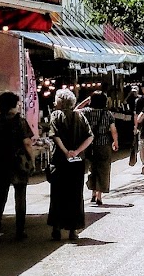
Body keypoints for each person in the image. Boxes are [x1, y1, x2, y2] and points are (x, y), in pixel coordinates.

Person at [0, 91, 35, 241]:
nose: (19, 106)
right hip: (18, 163)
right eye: (17, 104)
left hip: (0, 163)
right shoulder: (20, 122)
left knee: (0, 197)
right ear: (13, 106)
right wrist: (31, 160)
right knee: (20, 197)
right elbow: (27, 143)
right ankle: (20, 230)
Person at [48, 88, 93, 241]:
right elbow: (90, 137)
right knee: (75, 195)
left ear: (60, 102)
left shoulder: (56, 115)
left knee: (58, 194)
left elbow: (55, 136)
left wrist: (66, 151)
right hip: (77, 162)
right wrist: (77, 151)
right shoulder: (80, 116)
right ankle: (73, 230)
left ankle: (56, 229)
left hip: (59, 161)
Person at [79, 91, 119, 205]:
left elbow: (75, 110)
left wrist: (85, 101)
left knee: (92, 167)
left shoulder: (85, 112)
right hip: (104, 143)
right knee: (103, 168)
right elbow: (113, 130)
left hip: (89, 144)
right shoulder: (107, 114)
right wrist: (115, 142)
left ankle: (93, 192)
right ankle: (99, 196)